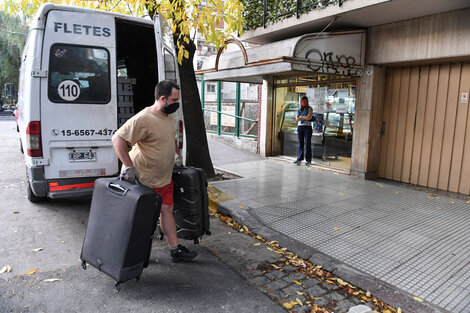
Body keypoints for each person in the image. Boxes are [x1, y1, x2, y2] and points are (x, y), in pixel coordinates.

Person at [111, 80, 197, 263]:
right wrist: (128, 166)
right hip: (144, 180)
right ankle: (135, 253)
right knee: (142, 219)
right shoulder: (144, 118)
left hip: (164, 178)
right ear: (162, 98)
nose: (177, 104)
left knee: (167, 210)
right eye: (174, 100)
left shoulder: (169, 117)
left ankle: (175, 250)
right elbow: (117, 139)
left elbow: (171, 137)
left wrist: (176, 155)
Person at [293, 96, 313, 166]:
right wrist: (304, 117)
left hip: (307, 127)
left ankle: (308, 160)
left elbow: (309, 117)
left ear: (307, 102)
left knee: (308, 144)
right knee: (300, 144)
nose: (303, 103)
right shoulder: (299, 109)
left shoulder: (310, 108)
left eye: (305, 101)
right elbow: (297, 119)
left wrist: (301, 117)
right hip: (300, 127)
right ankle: (299, 159)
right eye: (302, 101)